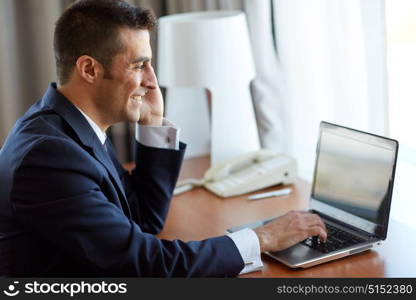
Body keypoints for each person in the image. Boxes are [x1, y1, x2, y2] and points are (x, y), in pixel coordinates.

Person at [0, 0, 327, 277]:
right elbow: (144, 263)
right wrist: (264, 237)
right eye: (139, 65)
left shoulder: (70, 125)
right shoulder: (50, 157)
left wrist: (154, 123)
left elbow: (142, 219)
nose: (152, 81)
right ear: (89, 69)